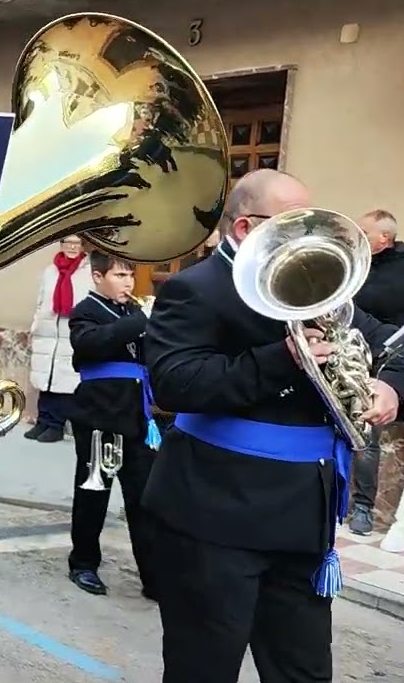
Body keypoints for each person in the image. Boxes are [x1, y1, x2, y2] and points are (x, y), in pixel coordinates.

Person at [143, 168, 404, 683]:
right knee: (205, 668)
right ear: (245, 228)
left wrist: (392, 385)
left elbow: (392, 342)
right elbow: (175, 385)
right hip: (214, 515)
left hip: (303, 518)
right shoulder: (196, 289)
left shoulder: (322, 290)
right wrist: (282, 358)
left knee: (302, 671)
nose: (312, 240)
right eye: (297, 226)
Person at [64, 252, 157, 598]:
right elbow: (89, 343)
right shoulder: (85, 311)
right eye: (120, 275)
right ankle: (84, 564)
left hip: (136, 417)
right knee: (94, 493)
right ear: (97, 276)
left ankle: (153, 574)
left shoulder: (133, 312)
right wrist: (141, 323)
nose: (128, 283)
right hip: (100, 416)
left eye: (131, 276)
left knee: (144, 500)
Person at [348, 209, 404, 535]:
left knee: (368, 433)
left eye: (364, 233)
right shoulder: (357, 261)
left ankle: (364, 508)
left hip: (390, 359)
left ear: (384, 238)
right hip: (349, 348)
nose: (359, 237)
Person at [25, 236, 91, 442]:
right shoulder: (50, 271)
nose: (71, 247)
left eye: (76, 243)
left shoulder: (88, 272)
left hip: (70, 333)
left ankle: (56, 424)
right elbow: (40, 301)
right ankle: (43, 421)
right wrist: (35, 326)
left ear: (82, 246)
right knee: (46, 379)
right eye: (67, 243)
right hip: (48, 332)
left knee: (64, 381)